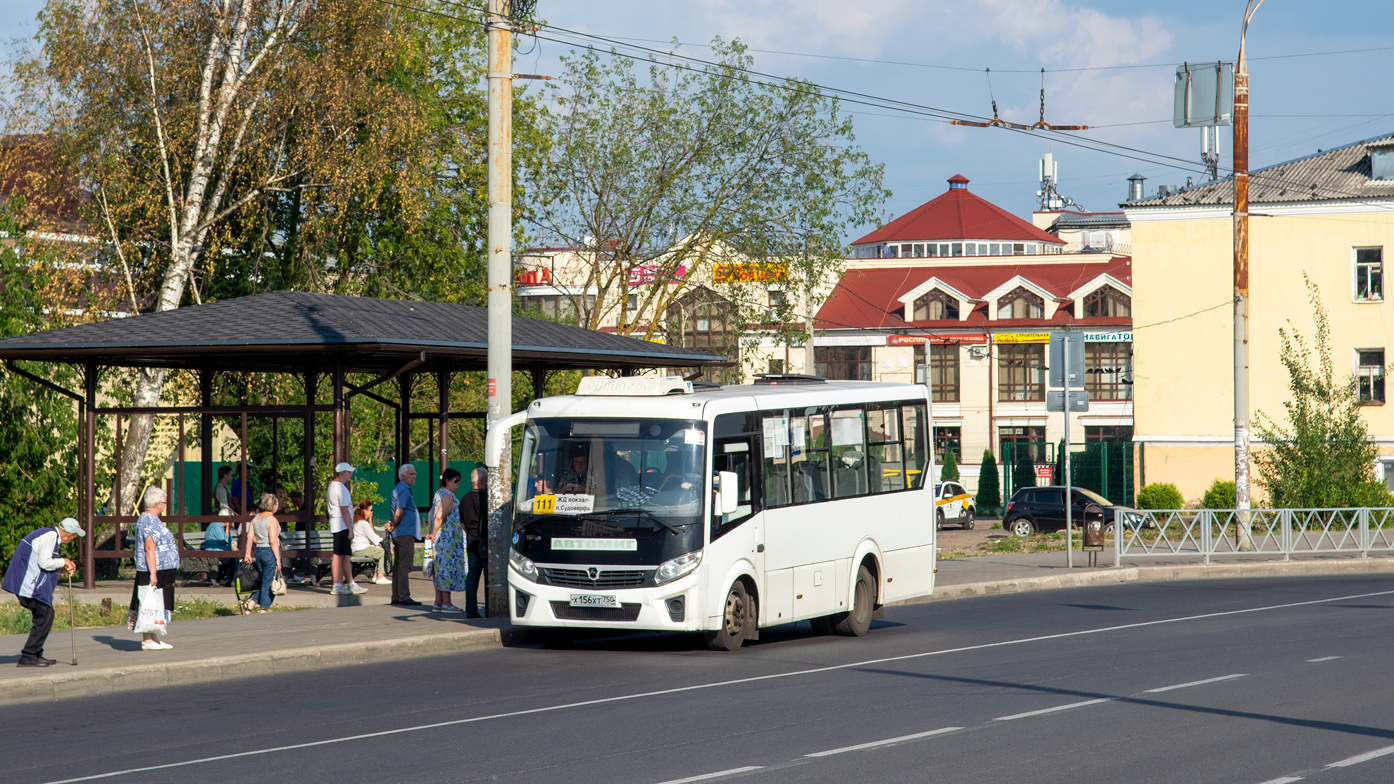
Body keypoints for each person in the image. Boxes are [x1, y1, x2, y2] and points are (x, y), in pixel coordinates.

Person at [2, 517, 82, 667]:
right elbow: (44, 562)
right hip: (28, 585)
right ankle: (29, 655)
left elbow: (41, 561)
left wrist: (62, 566)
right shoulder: (50, 536)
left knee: (44, 615)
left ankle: (35, 653)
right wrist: (63, 561)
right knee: (45, 615)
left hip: (27, 583)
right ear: (69, 534)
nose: (73, 539)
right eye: (74, 536)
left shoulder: (48, 534)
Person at [129, 487, 179, 651]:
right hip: (153, 568)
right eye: (164, 502)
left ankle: (155, 637)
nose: (165, 505)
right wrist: (153, 572)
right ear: (158, 504)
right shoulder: (149, 520)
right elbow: (149, 547)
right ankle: (148, 639)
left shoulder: (150, 519)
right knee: (149, 603)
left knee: (157, 603)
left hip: (161, 568)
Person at [427, 468, 467, 613]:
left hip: (440, 537)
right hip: (447, 539)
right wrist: (435, 531)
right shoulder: (448, 496)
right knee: (447, 569)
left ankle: (438, 602)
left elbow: (431, 513)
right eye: (455, 480)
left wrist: (431, 532)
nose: (458, 484)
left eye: (459, 481)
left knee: (439, 569)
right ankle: (446, 603)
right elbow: (439, 515)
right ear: (447, 480)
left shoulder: (438, 493)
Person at [385, 464, 422, 606]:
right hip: (404, 532)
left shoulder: (399, 489)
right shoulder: (404, 491)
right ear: (403, 476)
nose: (414, 476)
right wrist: (394, 524)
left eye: (415, 473)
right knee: (404, 566)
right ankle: (403, 596)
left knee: (399, 566)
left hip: (400, 532)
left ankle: (397, 596)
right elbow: (399, 512)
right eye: (411, 474)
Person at [326, 462, 366, 595]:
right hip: (341, 525)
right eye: (348, 472)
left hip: (340, 525)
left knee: (346, 555)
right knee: (338, 555)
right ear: (342, 473)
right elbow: (344, 510)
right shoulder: (340, 488)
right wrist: (350, 529)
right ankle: (337, 585)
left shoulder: (336, 487)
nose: (351, 474)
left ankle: (350, 583)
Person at [241, 493, 284, 613]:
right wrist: (278, 558)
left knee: (264, 580)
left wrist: (247, 553)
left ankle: (250, 604)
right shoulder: (272, 520)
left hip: (258, 551)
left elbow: (250, 537)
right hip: (269, 552)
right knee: (269, 582)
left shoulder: (256, 518)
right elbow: (273, 541)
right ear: (274, 506)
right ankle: (263, 608)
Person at [459, 467, 487, 618]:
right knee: (490, 578)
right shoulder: (489, 498)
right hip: (488, 543)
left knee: (472, 578)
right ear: (483, 480)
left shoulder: (464, 499)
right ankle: (491, 609)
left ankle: (471, 610)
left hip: (471, 542)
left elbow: (462, 523)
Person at [351, 500, 390, 585]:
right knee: (381, 552)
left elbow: (370, 531)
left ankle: (375, 576)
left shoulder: (356, 522)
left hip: (356, 549)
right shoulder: (363, 524)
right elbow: (374, 537)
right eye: (370, 510)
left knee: (377, 550)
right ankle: (380, 576)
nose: (371, 512)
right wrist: (384, 545)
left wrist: (370, 520)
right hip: (361, 549)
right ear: (364, 510)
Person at [203, 519, 235, 586]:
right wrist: (228, 528)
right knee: (233, 558)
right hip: (213, 552)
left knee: (235, 557)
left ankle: (231, 578)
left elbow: (229, 544)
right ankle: (232, 579)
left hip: (220, 552)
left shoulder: (223, 527)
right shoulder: (216, 525)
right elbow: (224, 540)